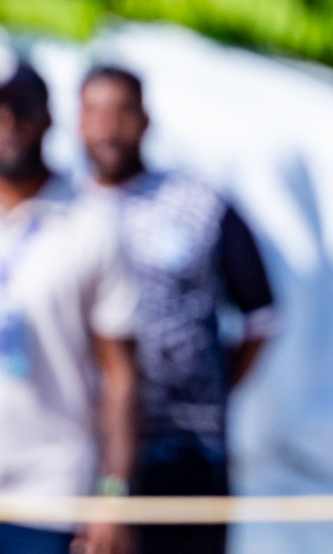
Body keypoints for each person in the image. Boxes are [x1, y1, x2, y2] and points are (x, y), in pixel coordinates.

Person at [78, 66, 277, 554]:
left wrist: (211, 385)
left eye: (122, 110)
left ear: (145, 119)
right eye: (95, 112)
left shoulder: (197, 202)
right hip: (86, 447)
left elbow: (263, 316)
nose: (108, 126)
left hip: (186, 446)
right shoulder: (62, 210)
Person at [0, 54, 137, 554]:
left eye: (21, 109)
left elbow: (120, 373)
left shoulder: (91, 223)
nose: (9, 125)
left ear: (48, 117)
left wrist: (112, 495)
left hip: (50, 492)